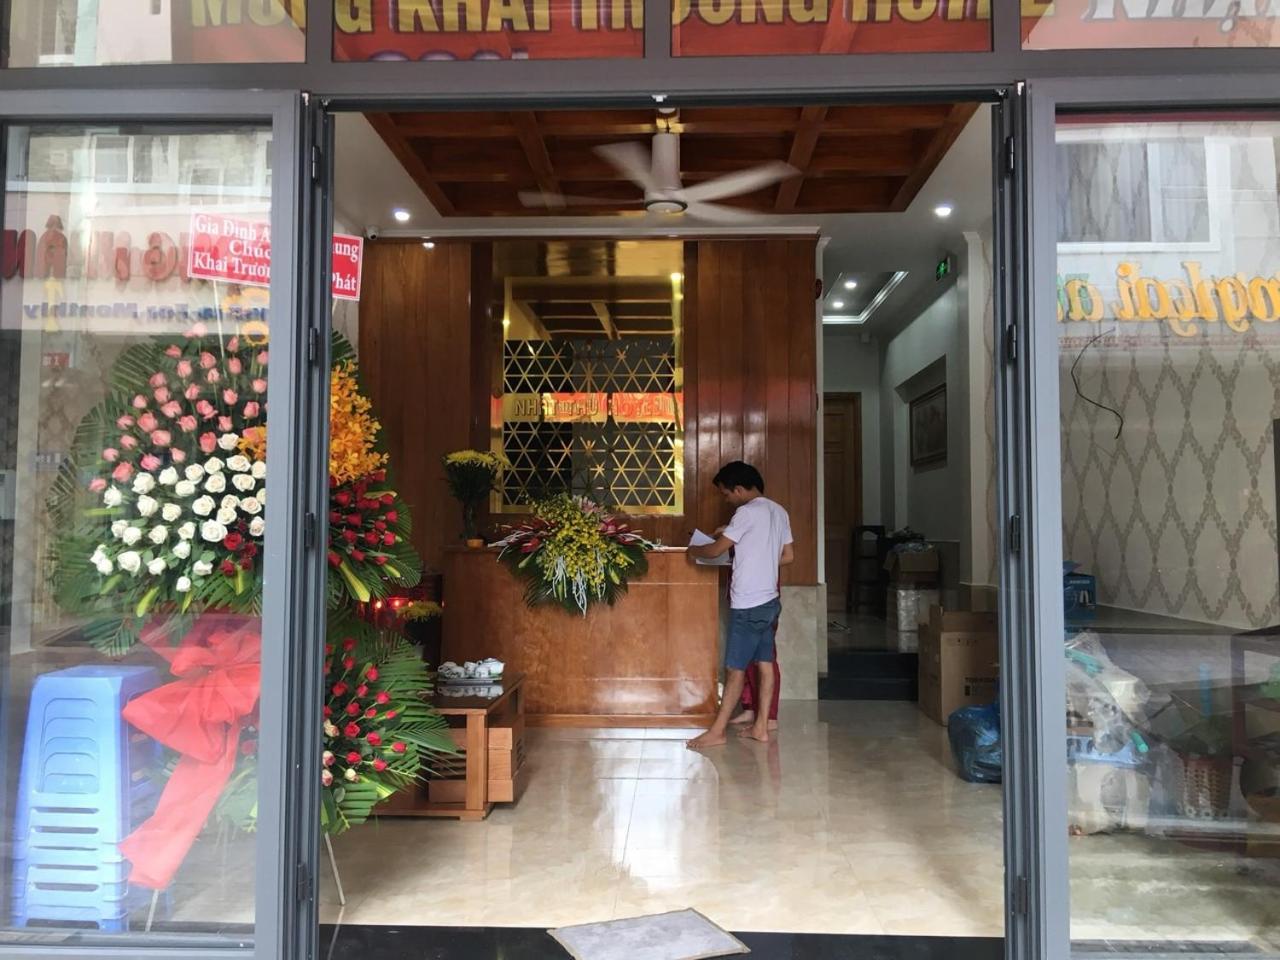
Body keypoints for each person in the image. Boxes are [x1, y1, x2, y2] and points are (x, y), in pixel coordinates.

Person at [687, 461, 793, 747]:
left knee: (735, 669)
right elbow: (788, 556)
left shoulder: (745, 513)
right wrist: (756, 556)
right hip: (769, 601)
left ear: (738, 489)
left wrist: (694, 550)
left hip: (747, 604)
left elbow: (715, 550)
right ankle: (761, 727)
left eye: (726, 494)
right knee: (765, 663)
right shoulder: (779, 511)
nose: (726, 500)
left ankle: (717, 732)